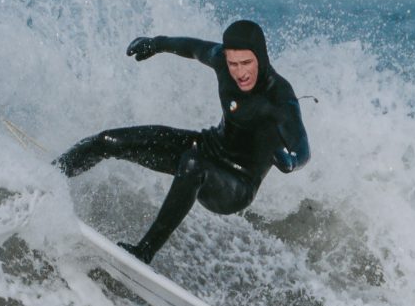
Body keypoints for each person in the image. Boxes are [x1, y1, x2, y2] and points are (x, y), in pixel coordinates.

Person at [56, 19, 311, 264]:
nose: (240, 72)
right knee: (107, 141)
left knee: (192, 165)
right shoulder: (222, 61)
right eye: (233, 64)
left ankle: (143, 252)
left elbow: (302, 146)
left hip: (236, 184)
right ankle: (48, 175)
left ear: (261, 58)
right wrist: (157, 43)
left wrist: (292, 162)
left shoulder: (279, 97)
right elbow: (193, 48)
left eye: (246, 63)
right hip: (206, 148)